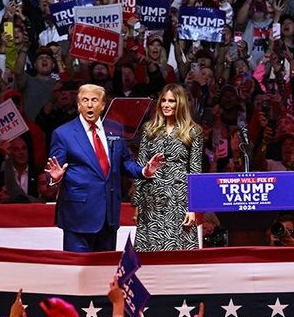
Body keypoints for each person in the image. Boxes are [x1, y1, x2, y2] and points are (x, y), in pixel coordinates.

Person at [45, 84, 165, 252]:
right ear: (78, 105)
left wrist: (144, 171)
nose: (89, 105)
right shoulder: (63, 134)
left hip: (109, 215)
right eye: (85, 100)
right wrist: (55, 178)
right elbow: (52, 171)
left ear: (102, 105)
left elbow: (125, 162)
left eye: (94, 100)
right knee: (78, 266)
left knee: (105, 266)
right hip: (78, 216)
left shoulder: (115, 129)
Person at [133, 85, 203, 251]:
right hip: (151, 200)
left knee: (178, 252)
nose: (166, 104)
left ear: (180, 103)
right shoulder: (149, 129)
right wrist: (137, 203)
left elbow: (195, 171)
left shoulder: (193, 131)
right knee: (150, 252)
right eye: (163, 100)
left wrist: (193, 208)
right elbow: (141, 166)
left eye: (171, 101)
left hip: (179, 199)